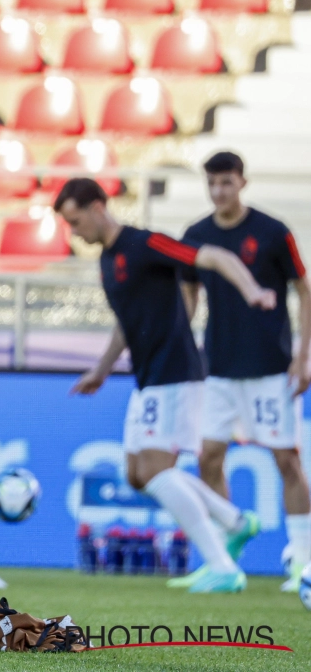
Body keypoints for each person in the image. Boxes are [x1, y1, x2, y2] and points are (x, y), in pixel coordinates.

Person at [59, 177, 275, 595]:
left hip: (176, 372)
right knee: (138, 475)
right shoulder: (108, 260)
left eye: (75, 220)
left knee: (157, 470)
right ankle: (234, 521)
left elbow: (211, 255)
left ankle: (222, 566)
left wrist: (250, 289)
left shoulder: (144, 244)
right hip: (149, 377)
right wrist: (101, 370)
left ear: (98, 207)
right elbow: (127, 321)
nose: (75, 232)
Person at [180, 151, 311, 593]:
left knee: (286, 461)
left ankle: (302, 562)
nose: (219, 191)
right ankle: (225, 555)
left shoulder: (273, 232)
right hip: (218, 369)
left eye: (226, 182)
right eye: (212, 183)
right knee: (208, 458)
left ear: (242, 182)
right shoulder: (197, 235)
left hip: (270, 369)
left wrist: (303, 356)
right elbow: (189, 295)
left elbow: (304, 290)